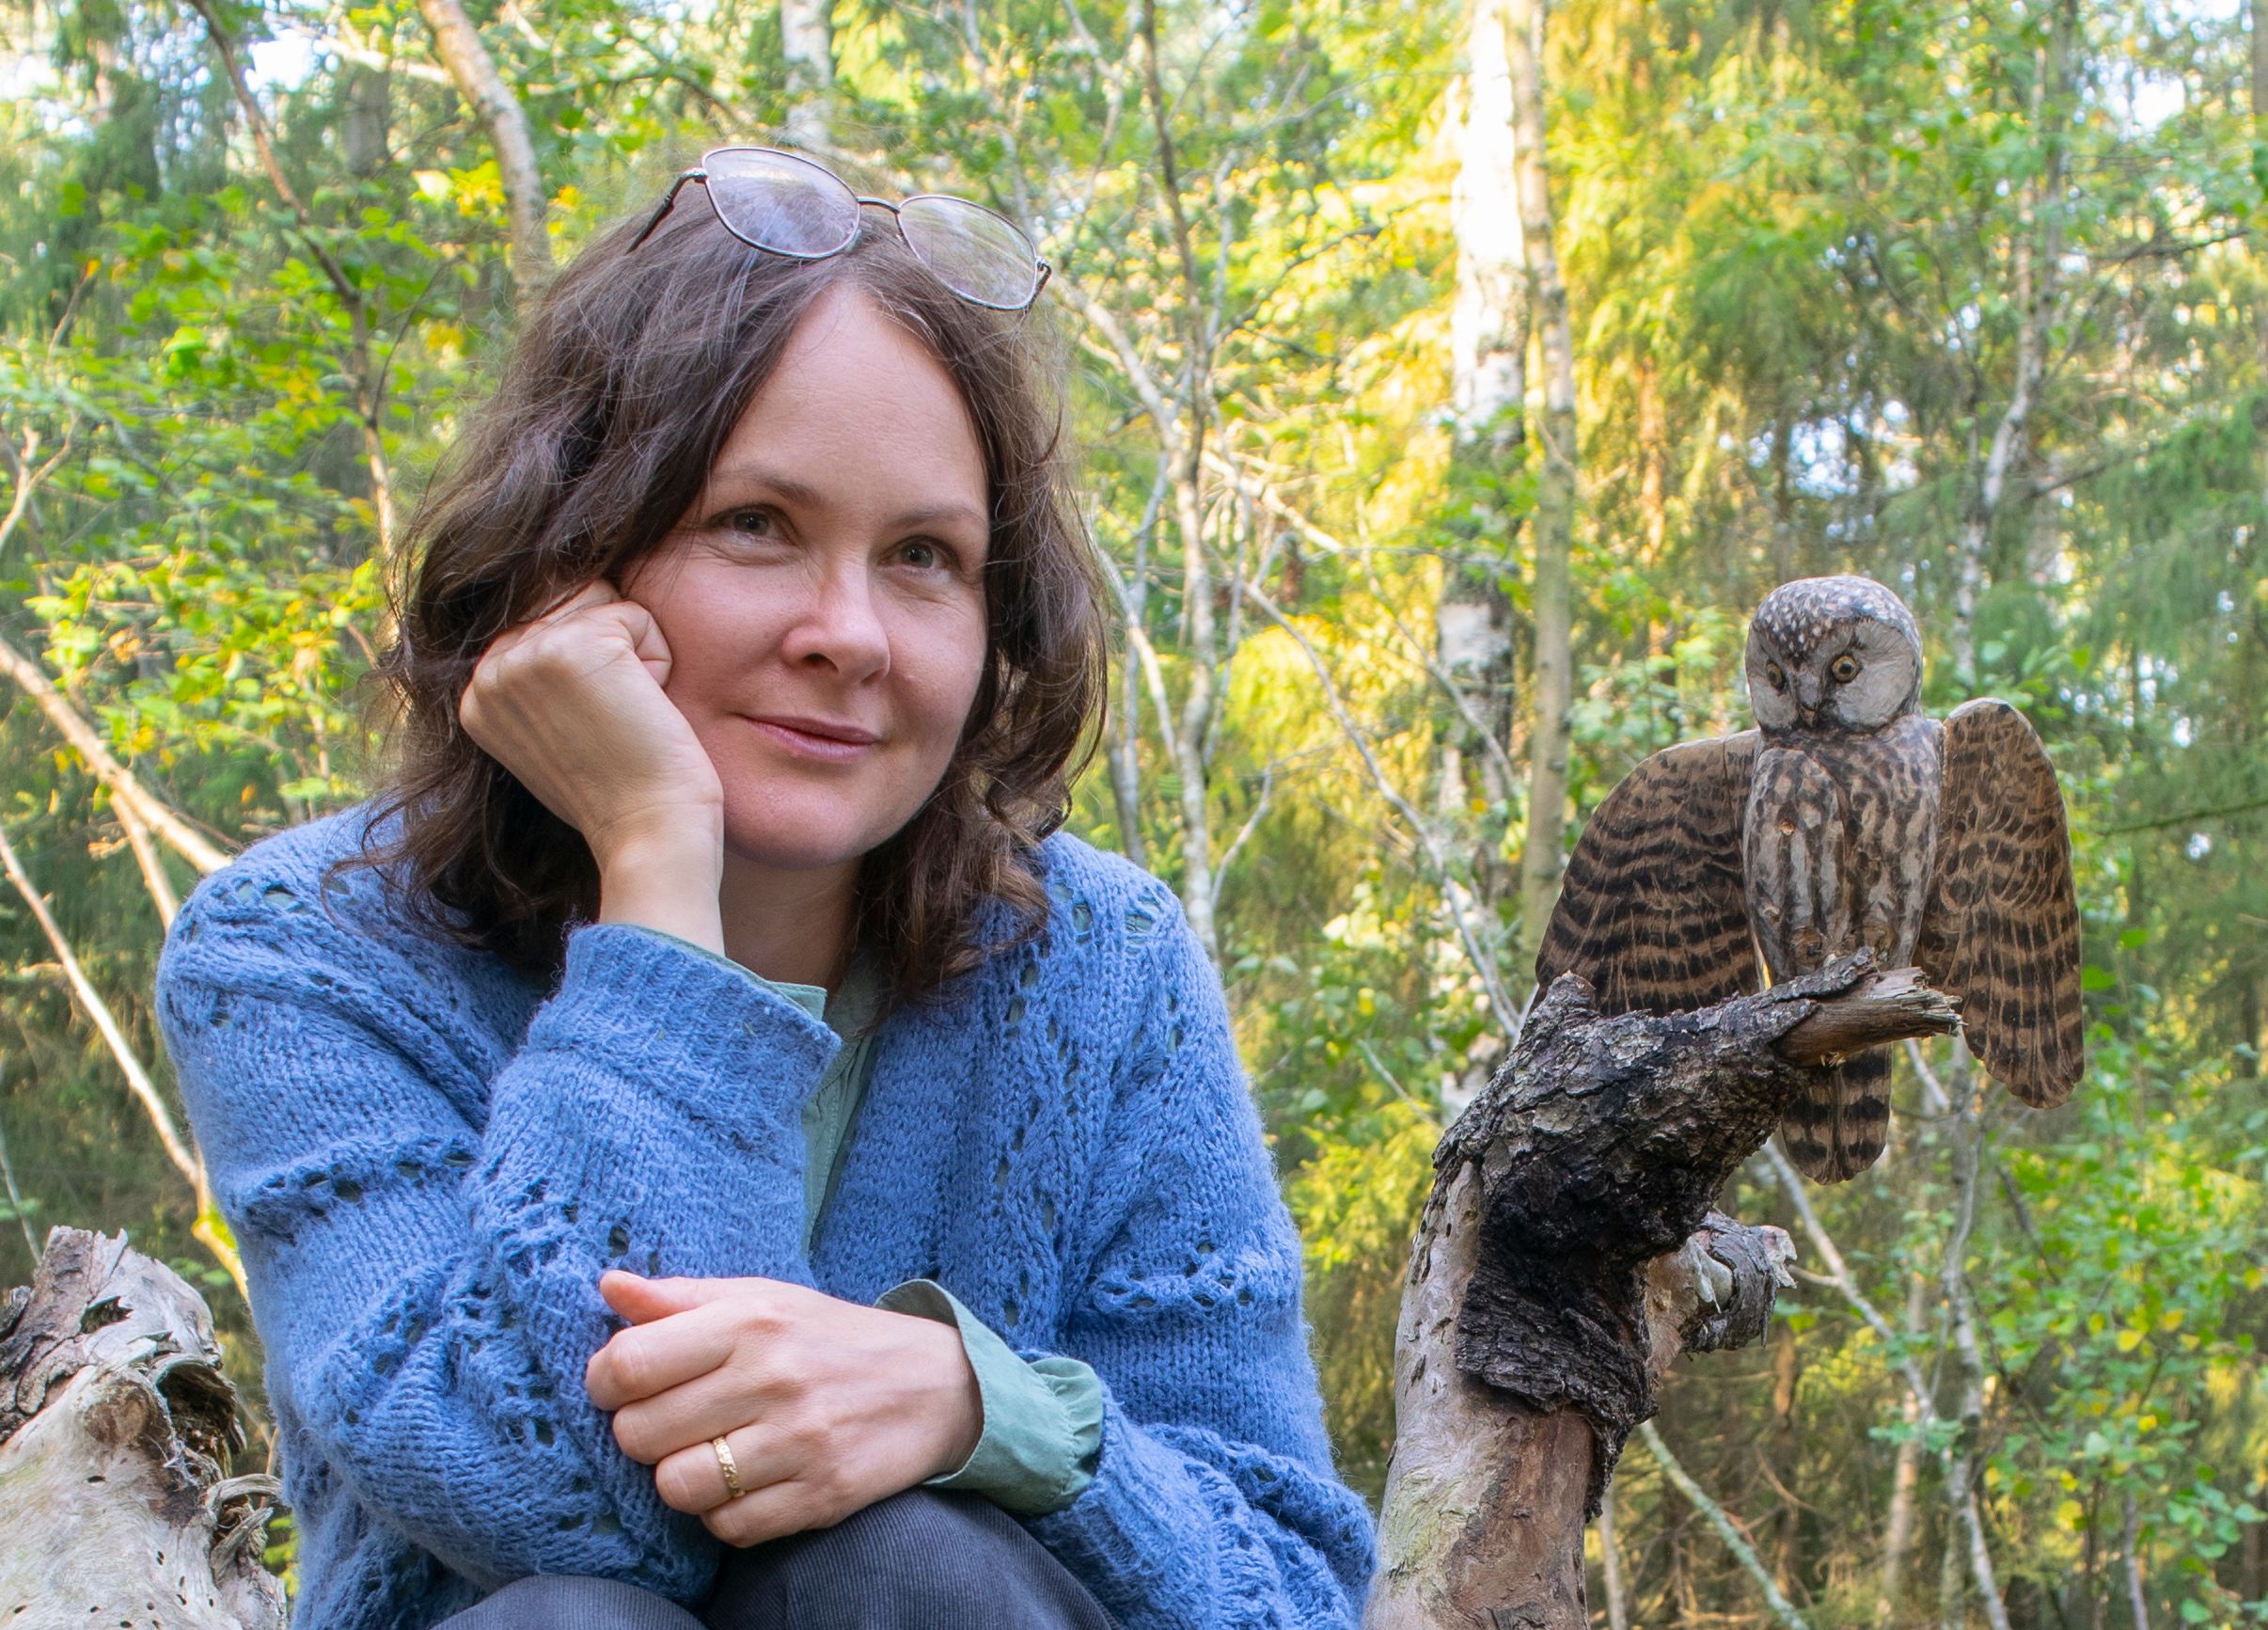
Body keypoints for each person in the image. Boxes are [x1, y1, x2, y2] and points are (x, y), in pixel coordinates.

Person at [152, 144, 1379, 1630]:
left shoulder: (1099, 965)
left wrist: (975, 1404)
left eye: (923, 555)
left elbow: (1289, 1587)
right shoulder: (300, 954)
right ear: (568, 553)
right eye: (757, 524)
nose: (848, 633)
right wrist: (657, 860)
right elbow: (561, 1504)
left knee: (910, 1562)